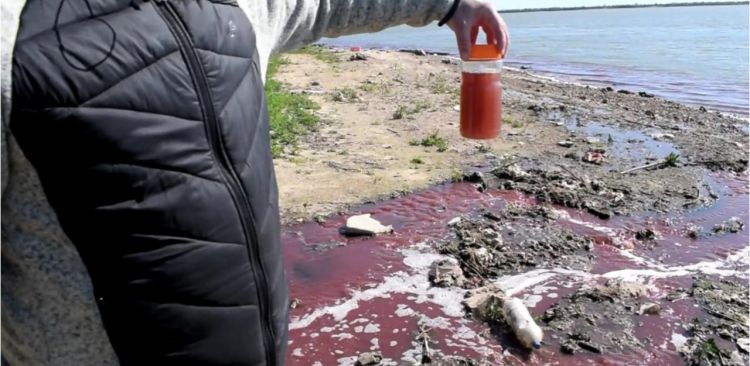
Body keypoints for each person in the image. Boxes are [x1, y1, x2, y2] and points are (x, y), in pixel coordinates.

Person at [0, 0, 508, 364]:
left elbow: (331, 3)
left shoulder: (233, 8)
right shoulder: (14, 34)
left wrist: (452, 5)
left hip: (257, 343)